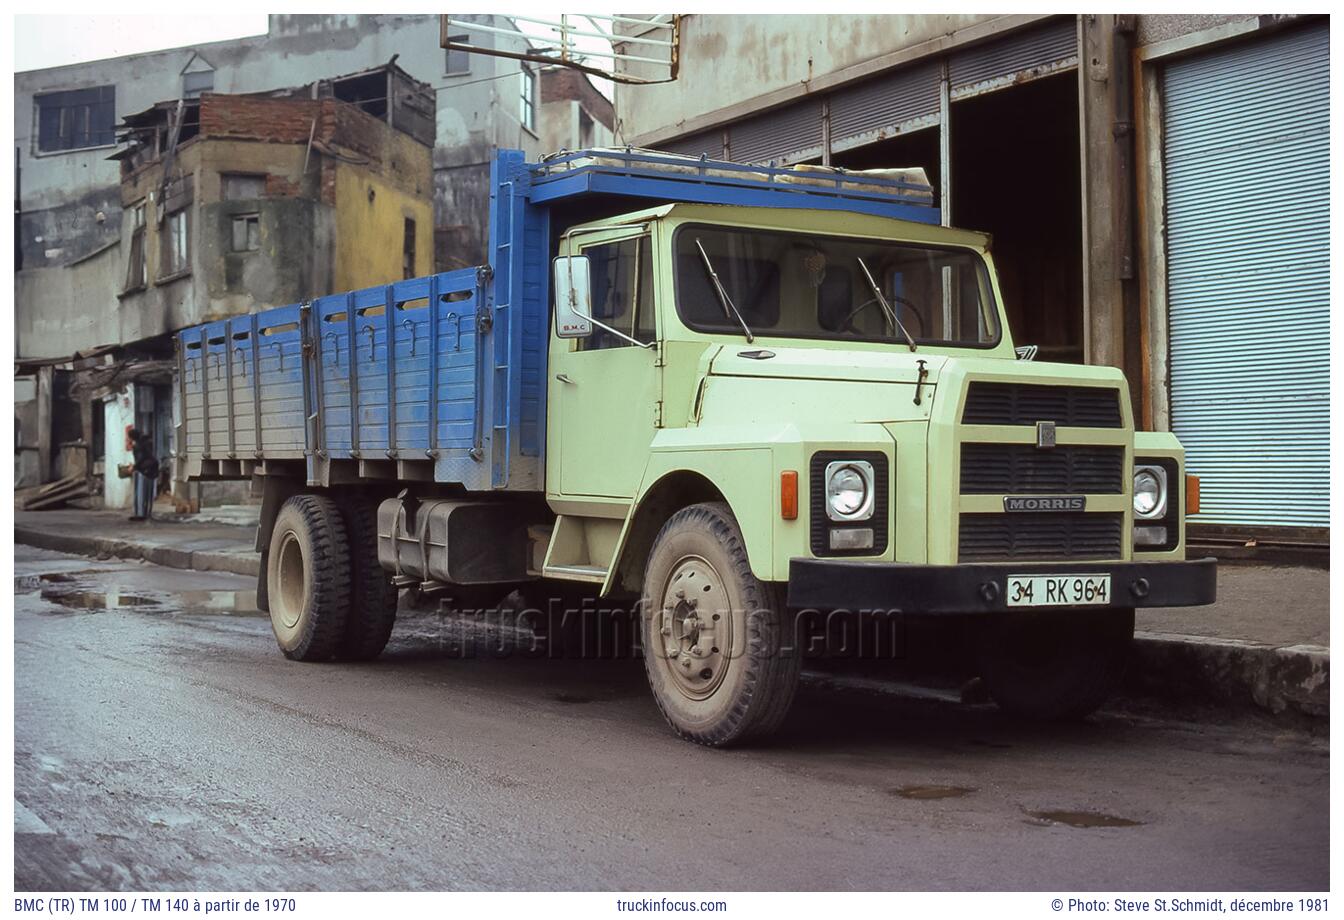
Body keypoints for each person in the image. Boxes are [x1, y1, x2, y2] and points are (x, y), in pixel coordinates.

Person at [129, 428, 160, 522]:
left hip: (145, 470)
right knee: (148, 493)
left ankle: (141, 513)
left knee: (141, 491)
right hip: (151, 469)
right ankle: (146, 513)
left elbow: (141, 458)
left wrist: (134, 467)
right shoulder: (144, 443)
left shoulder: (138, 445)